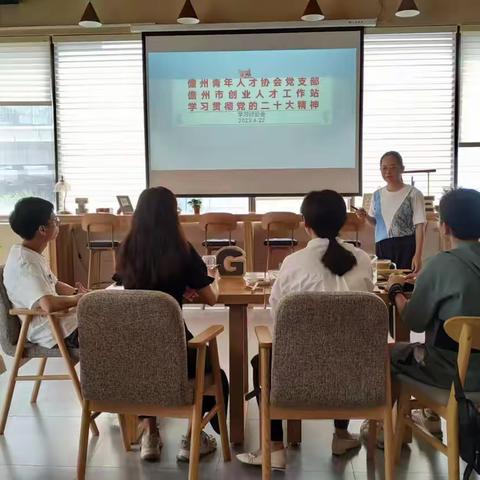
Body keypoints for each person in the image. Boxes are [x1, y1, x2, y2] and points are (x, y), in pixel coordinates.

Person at [237, 190, 375, 470]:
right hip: (356, 373)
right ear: (343, 221)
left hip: (296, 374)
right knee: (342, 343)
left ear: (305, 223)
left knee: (260, 360)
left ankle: (275, 447)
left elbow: (279, 315)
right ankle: (341, 434)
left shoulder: (293, 263)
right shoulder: (362, 260)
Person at [114, 186, 229, 463]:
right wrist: (212, 277)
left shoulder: (127, 249)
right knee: (217, 377)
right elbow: (211, 298)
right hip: (175, 351)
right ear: (171, 215)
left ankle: (151, 436)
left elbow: (129, 285)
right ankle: (193, 437)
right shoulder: (181, 249)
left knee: (149, 369)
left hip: (135, 351)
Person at [387, 188, 480, 435]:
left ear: (445, 227)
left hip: (454, 376)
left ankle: (393, 433)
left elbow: (414, 321)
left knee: (390, 352)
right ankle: (429, 414)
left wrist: (396, 290)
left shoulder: (440, 264)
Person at [4, 197, 87, 350]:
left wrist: (80, 293)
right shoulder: (26, 263)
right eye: (55, 220)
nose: (58, 223)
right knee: (115, 328)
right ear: (42, 229)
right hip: (53, 331)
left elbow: (54, 284)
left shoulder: (31, 254)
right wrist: (78, 299)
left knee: (112, 316)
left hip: (63, 321)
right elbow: (48, 305)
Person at [356, 151, 426, 272]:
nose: (388, 172)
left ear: (402, 169)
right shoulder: (376, 195)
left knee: (405, 283)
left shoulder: (414, 194)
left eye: (393, 167)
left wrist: (418, 255)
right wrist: (365, 217)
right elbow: (375, 222)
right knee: (384, 284)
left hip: (406, 246)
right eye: (384, 168)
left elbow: (420, 226)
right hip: (382, 246)